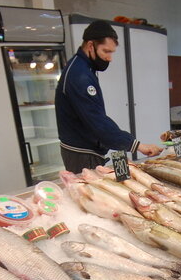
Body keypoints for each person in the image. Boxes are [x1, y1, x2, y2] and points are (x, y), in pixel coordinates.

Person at [55, 20, 162, 173]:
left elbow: (97, 117)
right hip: (82, 152)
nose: (109, 58)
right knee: (89, 194)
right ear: (90, 46)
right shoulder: (79, 75)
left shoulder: (85, 68)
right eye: (106, 51)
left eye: (111, 53)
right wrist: (137, 146)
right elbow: (97, 121)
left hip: (87, 148)